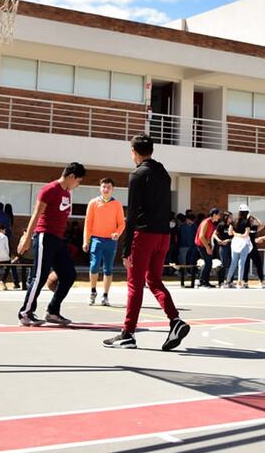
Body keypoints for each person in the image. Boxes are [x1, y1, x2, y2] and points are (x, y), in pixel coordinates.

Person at [103, 134, 190, 351]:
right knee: (154, 280)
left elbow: (132, 213)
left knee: (135, 284)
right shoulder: (163, 173)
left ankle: (128, 333)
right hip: (163, 235)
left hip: (143, 235)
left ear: (134, 151)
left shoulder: (137, 174)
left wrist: (125, 249)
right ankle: (175, 320)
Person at [17, 162, 87, 326]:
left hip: (58, 240)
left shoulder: (67, 193)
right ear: (71, 176)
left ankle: (53, 312)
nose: (78, 185)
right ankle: (25, 313)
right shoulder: (49, 189)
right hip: (44, 236)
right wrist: (27, 237)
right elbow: (36, 214)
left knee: (69, 275)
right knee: (40, 276)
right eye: (78, 181)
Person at [84, 177, 125, 306]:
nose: (106, 189)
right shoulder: (93, 203)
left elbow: (121, 224)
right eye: (104, 187)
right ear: (100, 188)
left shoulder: (117, 204)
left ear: (112, 189)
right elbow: (88, 223)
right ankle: (93, 291)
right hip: (96, 239)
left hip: (111, 241)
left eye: (109, 187)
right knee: (94, 265)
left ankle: (105, 295)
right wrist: (86, 240)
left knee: (108, 268)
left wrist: (117, 233)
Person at [225, 204, 255, 288]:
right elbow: (246, 234)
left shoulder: (234, 221)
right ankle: (239, 282)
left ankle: (227, 281)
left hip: (235, 243)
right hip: (244, 243)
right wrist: (239, 234)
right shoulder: (247, 222)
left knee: (233, 263)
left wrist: (235, 234)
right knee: (241, 263)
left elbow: (230, 233)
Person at [194, 208, 221, 287]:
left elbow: (208, 236)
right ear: (214, 215)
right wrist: (207, 248)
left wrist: (210, 245)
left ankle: (205, 281)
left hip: (206, 245)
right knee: (208, 262)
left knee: (209, 263)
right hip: (201, 244)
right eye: (218, 215)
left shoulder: (212, 223)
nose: (219, 216)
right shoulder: (206, 222)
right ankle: (201, 282)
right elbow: (201, 236)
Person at [214, 211, 234, 285]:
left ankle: (230, 281)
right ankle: (221, 281)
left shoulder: (233, 225)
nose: (232, 219)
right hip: (223, 246)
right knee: (223, 264)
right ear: (226, 217)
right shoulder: (221, 225)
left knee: (232, 263)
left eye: (232, 217)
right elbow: (214, 234)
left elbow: (236, 236)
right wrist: (219, 240)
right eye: (230, 217)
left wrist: (228, 240)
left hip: (231, 246)